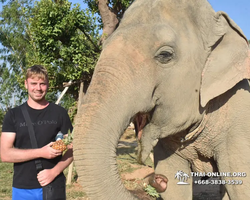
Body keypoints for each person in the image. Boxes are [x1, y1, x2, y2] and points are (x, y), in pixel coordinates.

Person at [0, 65, 73, 200]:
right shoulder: (13, 115)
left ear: (47, 85)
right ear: (26, 84)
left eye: (42, 84)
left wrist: (54, 172)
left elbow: (73, 148)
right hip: (23, 188)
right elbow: (5, 154)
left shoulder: (59, 113)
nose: (38, 88)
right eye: (34, 83)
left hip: (53, 185)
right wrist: (41, 152)